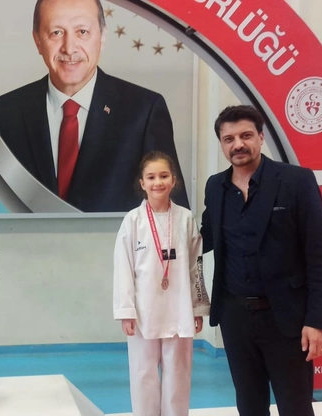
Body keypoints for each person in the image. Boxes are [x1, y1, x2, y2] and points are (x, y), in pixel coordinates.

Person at [0, 0, 189, 212]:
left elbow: (172, 213)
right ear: (37, 40)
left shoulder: (144, 111)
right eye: (56, 32)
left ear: (102, 37)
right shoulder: (5, 113)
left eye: (82, 32)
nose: (69, 48)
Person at [200, 105, 322, 415]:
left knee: (295, 407)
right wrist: (160, 224)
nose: (238, 144)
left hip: (287, 318)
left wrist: (318, 321)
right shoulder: (215, 187)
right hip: (235, 317)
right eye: (229, 139)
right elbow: (205, 237)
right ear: (221, 144)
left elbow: (320, 256)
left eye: (246, 135)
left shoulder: (296, 181)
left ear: (261, 137)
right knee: (249, 405)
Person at [113, 151, 210, 416]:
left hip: (179, 307)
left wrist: (198, 308)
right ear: (142, 183)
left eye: (164, 176)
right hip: (143, 310)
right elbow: (123, 268)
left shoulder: (185, 218)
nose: (158, 182)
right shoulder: (133, 221)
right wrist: (126, 311)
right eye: (151, 177)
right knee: (143, 373)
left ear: (174, 180)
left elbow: (196, 266)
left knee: (178, 373)